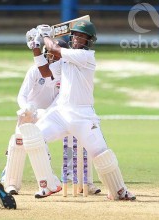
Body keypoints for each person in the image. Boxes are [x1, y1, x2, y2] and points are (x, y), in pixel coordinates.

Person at [20, 20, 136, 200]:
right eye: (76, 35)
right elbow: (44, 72)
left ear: (89, 40)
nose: (78, 39)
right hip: (60, 113)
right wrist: (36, 47)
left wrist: (45, 36)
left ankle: (119, 190)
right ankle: (50, 183)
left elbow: (56, 49)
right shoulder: (65, 61)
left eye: (83, 36)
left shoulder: (87, 56)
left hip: (83, 116)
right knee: (33, 137)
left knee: (101, 154)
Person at [1, 39, 67, 195]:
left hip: (48, 114)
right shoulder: (35, 70)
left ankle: (49, 180)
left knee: (39, 144)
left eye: (55, 55)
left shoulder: (65, 75)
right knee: (18, 142)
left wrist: (44, 113)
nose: (52, 58)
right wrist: (26, 108)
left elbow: (59, 101)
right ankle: (10, 182)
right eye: (50, 54)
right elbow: (21, 95)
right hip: (28, 113)